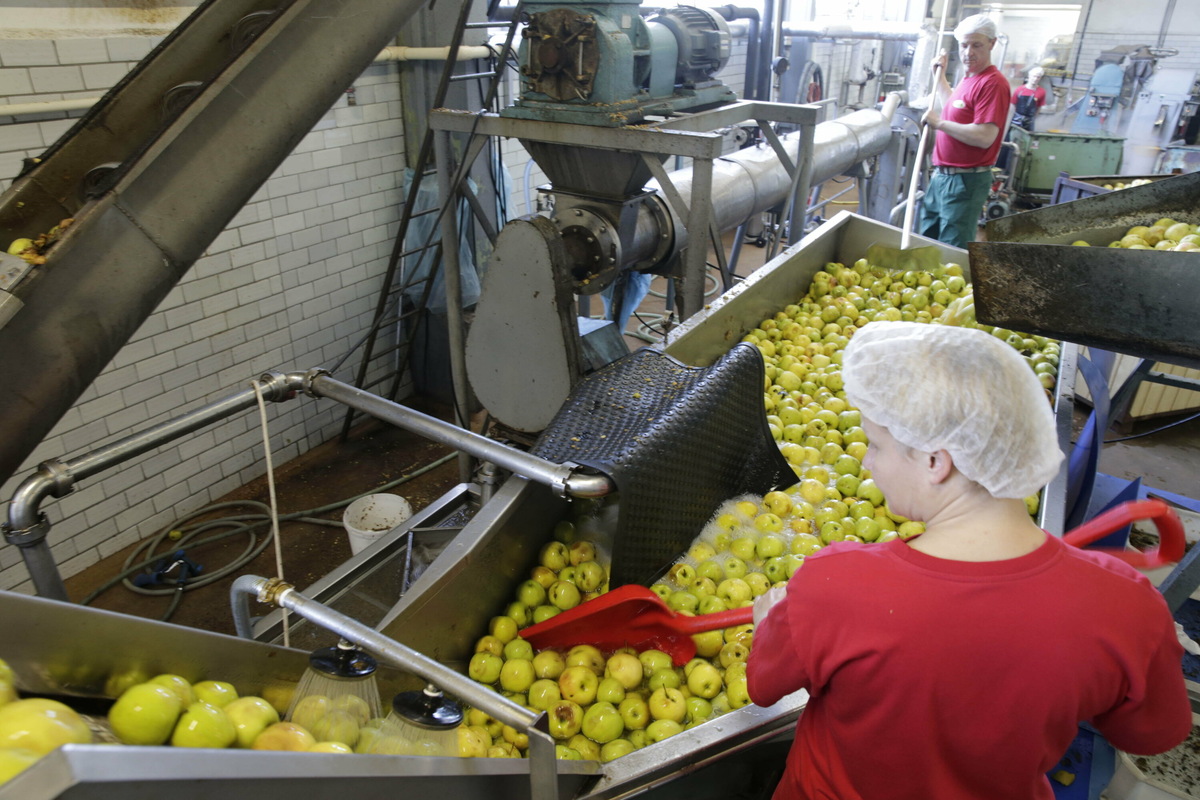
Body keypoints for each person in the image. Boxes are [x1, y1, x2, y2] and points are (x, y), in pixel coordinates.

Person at [747, 321, 1191, 800]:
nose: (868, 464)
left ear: (937, 462)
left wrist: (770, 621)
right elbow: (1152, 735)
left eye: (875, 445)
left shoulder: (834, 586)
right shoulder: (1128, 607)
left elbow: (764, 685)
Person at [918, 15, 1011, 248]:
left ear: (992, 43)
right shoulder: (969, 79)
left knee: (951, 246)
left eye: (976, 45)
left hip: (965, 180)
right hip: (942, 176)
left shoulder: (992, 83)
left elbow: (984, 136)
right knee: (927, 239)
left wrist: (938, 124)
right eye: (964, 45)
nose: (968, 52)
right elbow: (955, 110)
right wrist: (938, 78)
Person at [1011, 66, 1047, 131]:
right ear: (1029, 76)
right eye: (1034, 76)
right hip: (1016, 119)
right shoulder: (1019, 89)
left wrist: (1033, 118)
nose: (1035, 79)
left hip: (1030, 121)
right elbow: (1014, 104)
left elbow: (1039, 107)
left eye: (1038, 77)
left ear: (1040, 78)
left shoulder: (1042, 92)